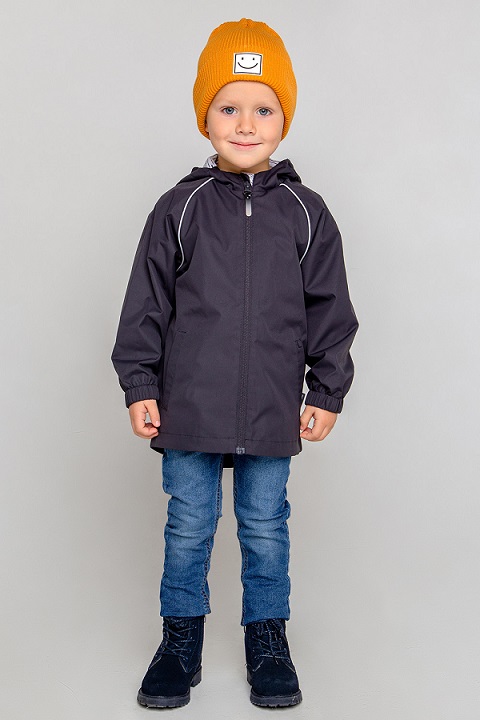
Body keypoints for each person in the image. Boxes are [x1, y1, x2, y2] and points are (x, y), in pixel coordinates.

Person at [111, 17, 359, 709]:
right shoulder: (179, 207)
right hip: (190, 402)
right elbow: (145, 303)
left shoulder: (307, 213)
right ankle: (179, 641)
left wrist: (327, 391)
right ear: (205, 117)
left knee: (264, 524)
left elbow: (331, 310)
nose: (246, 124)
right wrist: (140, 383)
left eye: (263, 109)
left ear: (284, 119)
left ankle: (267, 639)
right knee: (189, 524)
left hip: (272, 407)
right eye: (228, 108)